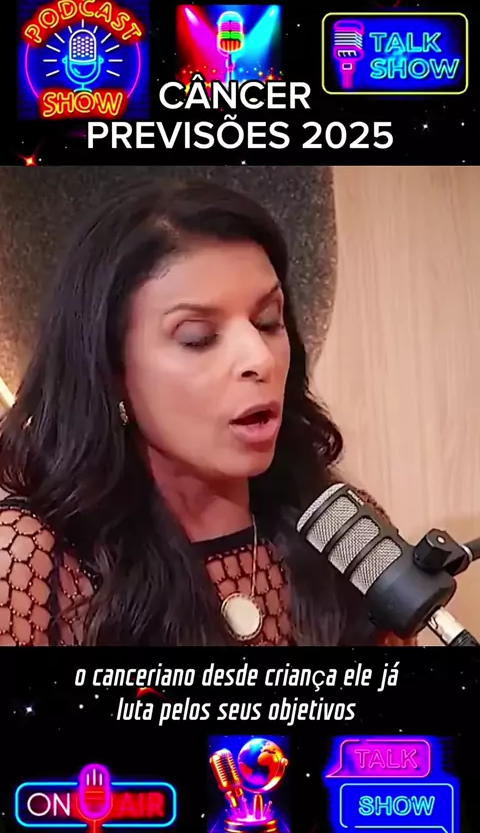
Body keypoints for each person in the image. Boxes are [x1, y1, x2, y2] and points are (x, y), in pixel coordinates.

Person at [0, 180, 413, 647]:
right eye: (198, 337)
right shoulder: (32, 560)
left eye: (268, 321)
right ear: (111, 370)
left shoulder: (346, 534)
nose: (259, 358)